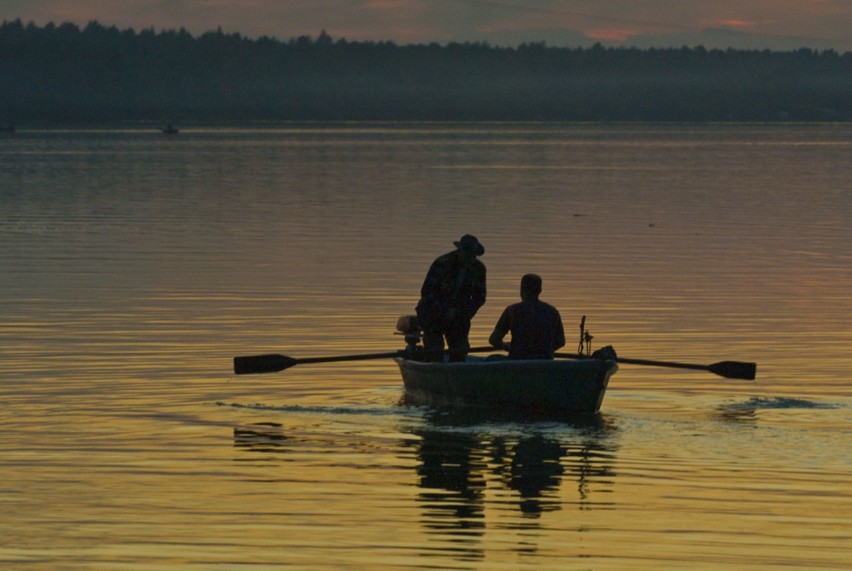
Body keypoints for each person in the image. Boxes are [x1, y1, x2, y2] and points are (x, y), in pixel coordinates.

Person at [416, 234, 487, 362]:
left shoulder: (479, 269)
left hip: (459, 317)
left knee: (461, 350)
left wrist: (463, 313)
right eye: (467, 255)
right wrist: (445, 309)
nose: (470, 259)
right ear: (459, 251)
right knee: (435, 351)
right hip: (432, 314)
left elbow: (480, 297)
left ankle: (456, 372)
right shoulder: (442, 263)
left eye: (472, 256)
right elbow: (427, 292)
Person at [489, 273, 565, 360]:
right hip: (545, 360)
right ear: (540, 290)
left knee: (492, 358)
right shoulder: (553, 312)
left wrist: (506, 346)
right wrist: (543, 350)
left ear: (521, 290)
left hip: (517, 360)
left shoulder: (511, 311)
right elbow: (561, 342)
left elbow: (494, 339)